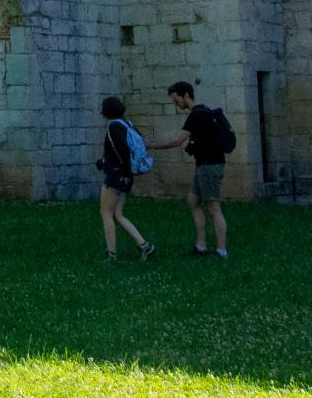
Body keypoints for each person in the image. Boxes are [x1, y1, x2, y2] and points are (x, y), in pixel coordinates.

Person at [149, 80, 229, 259]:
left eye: (177, 101)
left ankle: (221, 250)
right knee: (193, 201)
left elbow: (177, 141)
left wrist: (151, 145)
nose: (177, 105)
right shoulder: (202, 111)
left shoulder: (197, 115)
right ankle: (201, 245)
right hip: (203, 165)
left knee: (214, 207)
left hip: (210, 165)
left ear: (186, 95)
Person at [96, 95, 156, 262]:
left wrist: (115, 168)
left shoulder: (113, 126)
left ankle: (111, 254)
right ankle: (145, 246)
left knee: (106, 212)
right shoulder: (128, 124)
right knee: (118, 213)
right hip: (126, 175)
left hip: (116, 175)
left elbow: (121, 150)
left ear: (105, 111)